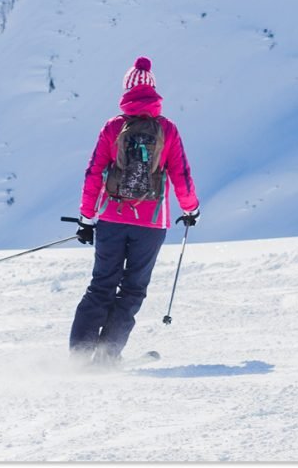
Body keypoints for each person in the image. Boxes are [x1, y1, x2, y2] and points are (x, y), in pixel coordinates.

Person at [69, 56, 200, 366]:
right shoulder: (167, 129)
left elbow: (94, 174)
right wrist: (191, 209)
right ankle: (106, 358)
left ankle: (77, 358)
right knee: (132, 289)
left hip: (111, 220)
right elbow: (181, 175)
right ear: (154, 93)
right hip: (151, 225)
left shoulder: (113, 127)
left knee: (101, 285)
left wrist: (87, 219)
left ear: (126, 92)